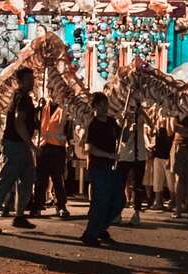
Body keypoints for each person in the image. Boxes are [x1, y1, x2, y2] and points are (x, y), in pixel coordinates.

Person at [0, 67, 38, 233]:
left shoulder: (22, 98)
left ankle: (19, 215)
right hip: (16, 144)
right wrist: (31, 144)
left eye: (32, 78)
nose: (32, 82)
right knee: (7, 178)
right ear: (21, 81)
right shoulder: (21, 98)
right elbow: (19, 123)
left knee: (27, 179)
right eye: (29, 79)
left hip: (19, 144)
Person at [79, 92, 123, 247]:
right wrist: (109, 155)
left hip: (111, 168)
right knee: (100, 202)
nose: (105, 107)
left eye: (106, 104)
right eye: (102, 104)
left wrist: (128, 125)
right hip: (98, 168)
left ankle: (100, 228)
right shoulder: (93, 125)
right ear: (95, 106)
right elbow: (89, 148)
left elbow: (123, 137)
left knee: (118, 201)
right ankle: (90, 233)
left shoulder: (111, 122)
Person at [31, 99, 71, 219]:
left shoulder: (64, 109)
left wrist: (68, 144)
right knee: (40, 180)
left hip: (58, 148)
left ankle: (61, 206)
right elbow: (36, 124)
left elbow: (67, 131)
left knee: (58, 179)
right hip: (43, 147)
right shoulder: (43, 107)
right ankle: (37, 206)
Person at [115, 98, 148, 227]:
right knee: (120, 184)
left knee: (138, 186)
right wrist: (128, 127)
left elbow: (151, 125)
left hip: (139, 154)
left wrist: (143, 113)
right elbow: (122, 139)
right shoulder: (121, 116)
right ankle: (117, 212)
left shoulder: (140, 115)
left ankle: (137, 213)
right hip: (124, 155)